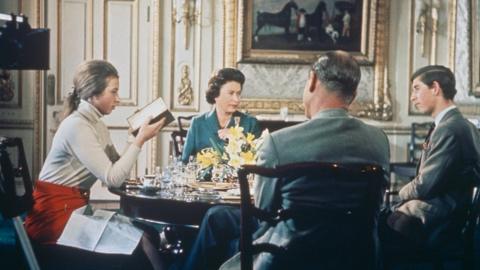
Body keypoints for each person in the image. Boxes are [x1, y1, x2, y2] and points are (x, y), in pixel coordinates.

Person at [177, 51, 390, 270]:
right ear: (353, 94)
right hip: (358, 258)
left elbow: (263, 213)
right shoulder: (379, 141)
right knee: (219, 218)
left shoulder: (278, 143)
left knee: (220, 225)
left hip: (289, 258)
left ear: (313, 81)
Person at [24, 60, 166, 270]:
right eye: (113, 92)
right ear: (93, 94)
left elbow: (117, 171)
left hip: (74, 210)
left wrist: (132, 139)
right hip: (53, 219)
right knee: (137, 249)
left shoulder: (96, 123)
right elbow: (112, 178)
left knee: (148, 235)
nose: (118, 99)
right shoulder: (77, 125)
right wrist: (139, 141)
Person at [381, 65, 480, 254]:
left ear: (435, 88)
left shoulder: (449, 128)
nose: (412, 97)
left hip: (441, 220)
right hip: (452, 213)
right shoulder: (462, 124)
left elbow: (425, 185)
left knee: (376, 229)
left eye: (417, 89)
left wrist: (398, 193)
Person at [181, 68, 261, 163]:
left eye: (238, 94)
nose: (236, 99)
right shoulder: (198, 124)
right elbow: (185, 163)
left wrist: (240, 140)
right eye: (231, 93)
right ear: (215, 95)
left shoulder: (250, 123)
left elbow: (259, 162)